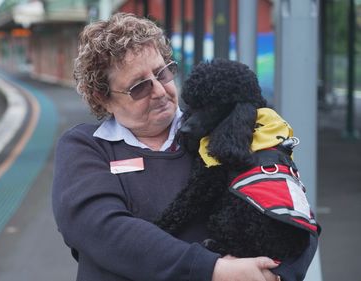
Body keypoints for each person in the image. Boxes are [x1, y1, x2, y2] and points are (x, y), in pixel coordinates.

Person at [52, 12, 317, 281]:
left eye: (162, 73)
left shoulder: (224, 128)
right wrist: (213, 270)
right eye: (139, 87)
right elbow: (101, 231)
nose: (158, 90)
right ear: (103, 97)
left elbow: (290, 209)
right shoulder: (86, 147)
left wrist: (276, 274)